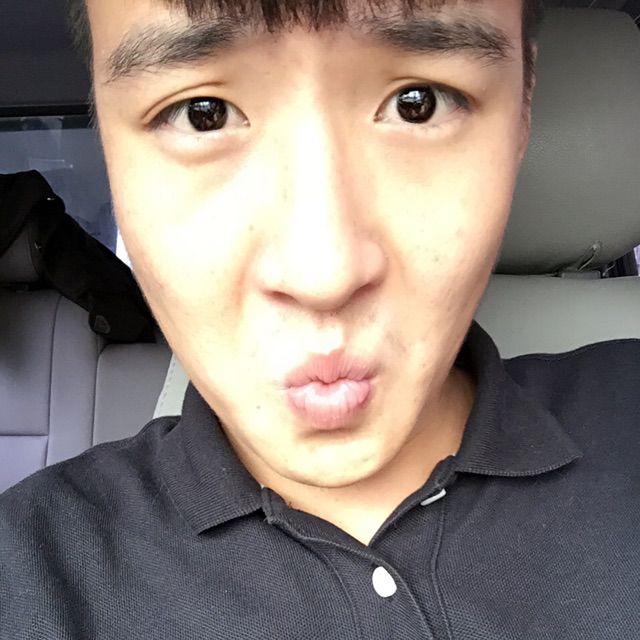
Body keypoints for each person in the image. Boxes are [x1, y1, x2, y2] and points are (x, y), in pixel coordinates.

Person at [2, 1, 640, 638]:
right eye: (203, 114)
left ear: (524, 109)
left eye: (418, 103)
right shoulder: (31, 574)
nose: (323, 277)